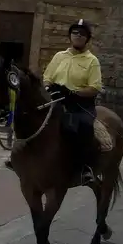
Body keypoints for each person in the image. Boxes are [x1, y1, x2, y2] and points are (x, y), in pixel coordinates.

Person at [41, 19, 103, 185]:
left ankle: (85, 168)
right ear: (69, 36)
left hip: (79, 105)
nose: (78, 36)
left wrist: (73, 93)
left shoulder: (91, 61)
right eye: (75, 32)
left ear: (87, 38)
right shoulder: (59, 56)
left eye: (82, 34)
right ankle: (19, 157)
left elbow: (94, 87)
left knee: (84, 126)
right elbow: (47, 77)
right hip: (56, 101)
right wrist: (49, 88)